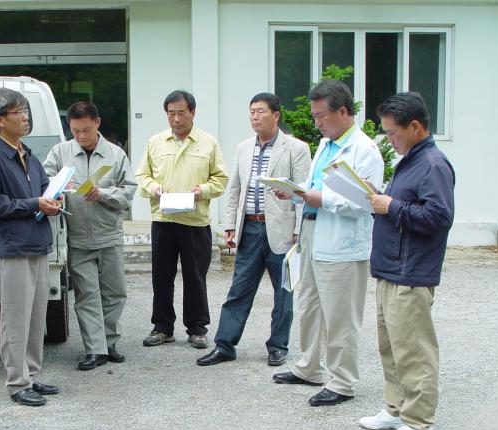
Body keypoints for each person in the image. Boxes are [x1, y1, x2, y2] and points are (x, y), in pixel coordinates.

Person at [271, 79, 384, 407]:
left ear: (343, 112)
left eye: (322, 116)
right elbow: (314, 185)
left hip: (341, 242)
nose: (317, 122)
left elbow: (365, 201)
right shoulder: (325, 145)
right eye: (314, 116)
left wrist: (320, 198)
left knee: (340, 314)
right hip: (312, 232)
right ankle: (309, 367)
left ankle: (342, 381)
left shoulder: (364, 150)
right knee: (309, 305)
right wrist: (295, 192)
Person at [361, 92, 455, 430]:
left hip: (411, 272)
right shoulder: (411, 160)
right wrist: (381, 199)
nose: (389, 140)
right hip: (391, 269)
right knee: (392, 347)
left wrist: (392, 206)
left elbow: (439, 217)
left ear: (415, 127)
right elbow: (405, 205)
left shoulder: (433, 164)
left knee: (414, 351)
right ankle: (397, 409)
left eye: (392, 132)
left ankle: (419, 425)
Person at [197, 92, 310, 367]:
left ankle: (278, 346)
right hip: (249, 227)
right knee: (239, 289)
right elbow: (235, 188)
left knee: (283, 292)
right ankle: (225, 345)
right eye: (251, 112)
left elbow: (303, 191)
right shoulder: (244, 147)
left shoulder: (295, 148)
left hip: (283, 230)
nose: (255, 117)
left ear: (276, 115)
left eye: (260, 111)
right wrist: (230, 225)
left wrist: (299, 230)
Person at [0, 88, 61, 407]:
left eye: (25, 110)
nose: (26, 117)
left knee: (37, 317)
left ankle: (31, 375)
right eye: (18, 112)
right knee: (15, 319)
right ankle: (17, 381)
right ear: (0, 120)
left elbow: (43, 189)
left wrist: (53, 199)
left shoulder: (29, 155)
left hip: (38, 244)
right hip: (13, 249)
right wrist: (34, 204)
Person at [43, 102, 136, 370]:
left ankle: (109, 342)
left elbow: (128, 193)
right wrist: (57, 194)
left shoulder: (115, 154)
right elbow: (45, 184)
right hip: (77, 237)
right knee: (87, 295)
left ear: (97, 123)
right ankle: (95, 349)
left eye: (86, 130)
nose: (81, 136)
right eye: (75, 131)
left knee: (115, 292)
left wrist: (103, 194)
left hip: (109, 234)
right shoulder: (60, 153)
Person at [136, 90, 228, 349]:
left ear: (193, 112)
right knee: (161, 276)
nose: (176, 119)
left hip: (195, 221)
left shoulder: (208, 143)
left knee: (195, 277)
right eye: (170, 114)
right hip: (163, 219)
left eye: (181, 113)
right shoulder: (155, 142)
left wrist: (202, 191)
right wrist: (153, 187)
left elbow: (220, 179)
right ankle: (162, 327)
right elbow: (142, 176)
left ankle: (197, 328)